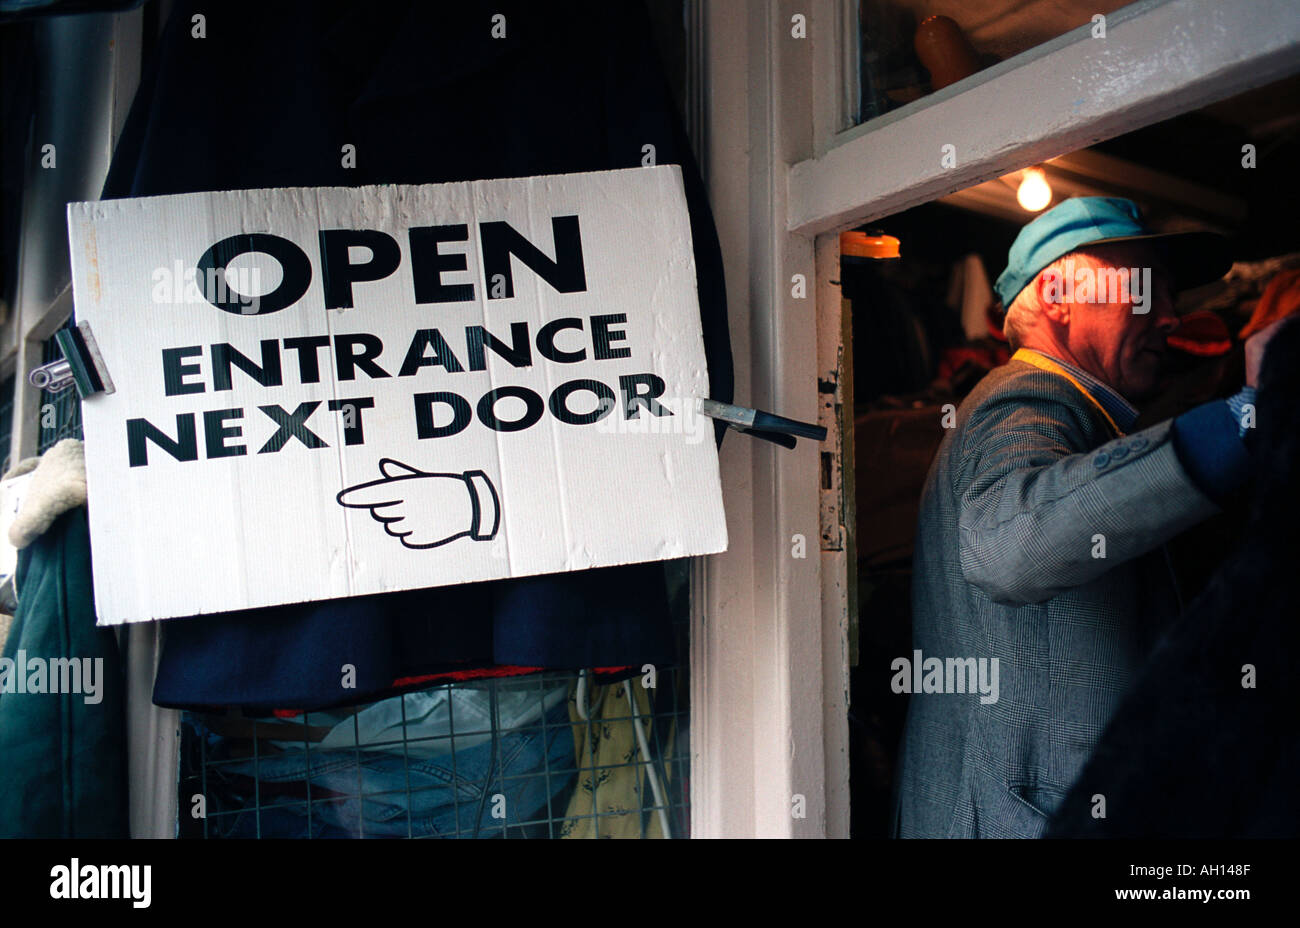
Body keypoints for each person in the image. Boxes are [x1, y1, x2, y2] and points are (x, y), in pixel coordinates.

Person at [892, 196, 1276, 838]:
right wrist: (1244, 420)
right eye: (1145, 288)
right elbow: (1006, 547)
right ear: (1059, 294)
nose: (1171, 314)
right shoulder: (1026, 399)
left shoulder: (1073, 418)